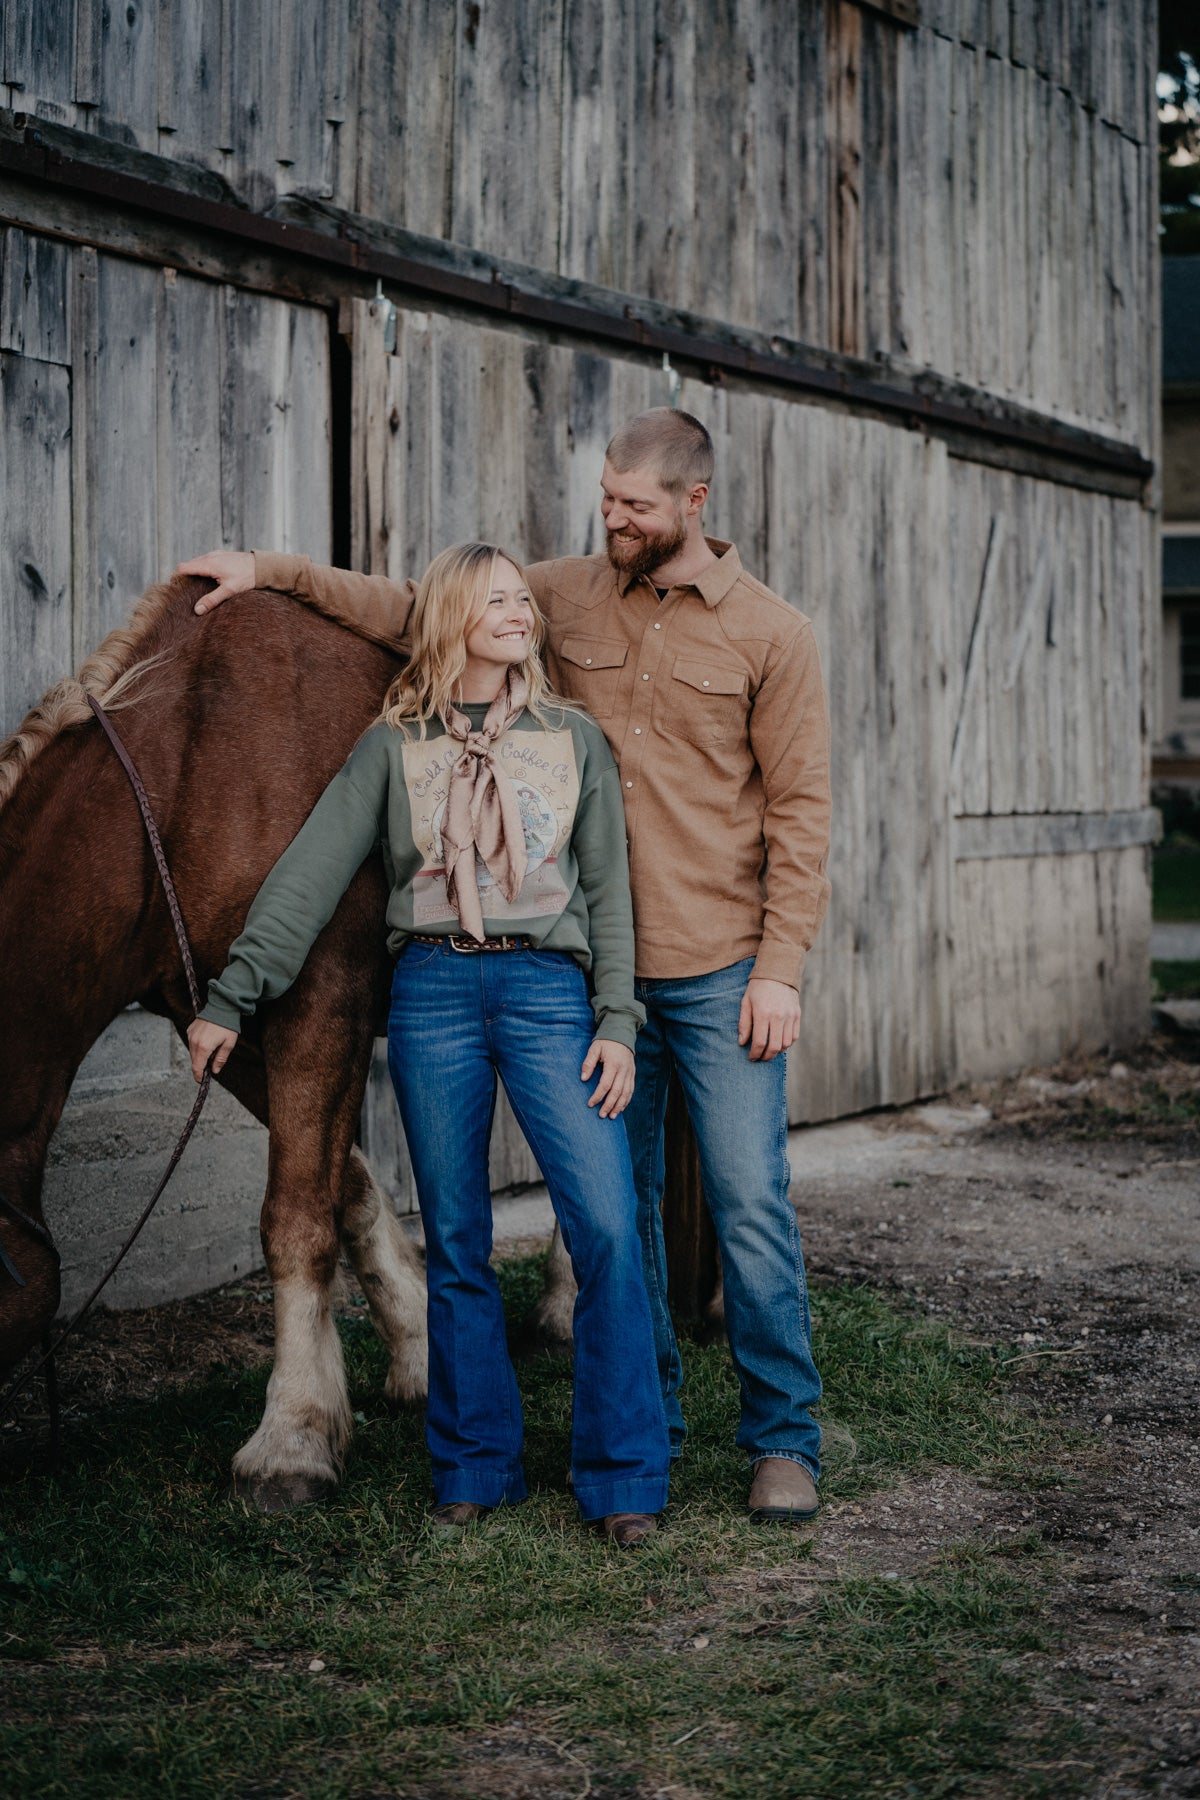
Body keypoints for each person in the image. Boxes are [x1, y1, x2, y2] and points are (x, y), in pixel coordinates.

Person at [178, 406, 831, 1524]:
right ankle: (605, 1439)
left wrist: (774, 967)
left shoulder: (769, 637)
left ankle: (772, 1440)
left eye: (634, 505)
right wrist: (267, 569)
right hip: (513, 986)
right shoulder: (531, 625)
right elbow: (406, 615)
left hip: (691, 970)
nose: (611, 520)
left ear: (693, 505)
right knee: (558, 1222)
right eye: (607, 500)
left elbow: (799, 811)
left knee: (731, 1206)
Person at [186, 542, 670, 1547]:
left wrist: (617, 1023)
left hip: (549, 996)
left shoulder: (573, 741)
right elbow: (308, 880)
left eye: (522, 603)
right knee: (457, 1245)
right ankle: (474, 1465)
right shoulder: (391, 749)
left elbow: (613, 896)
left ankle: (623, 1475)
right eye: (496, 600)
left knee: (609, 1227)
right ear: (452, 616)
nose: (520, 614)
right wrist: (232, 998)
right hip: (435, 997)